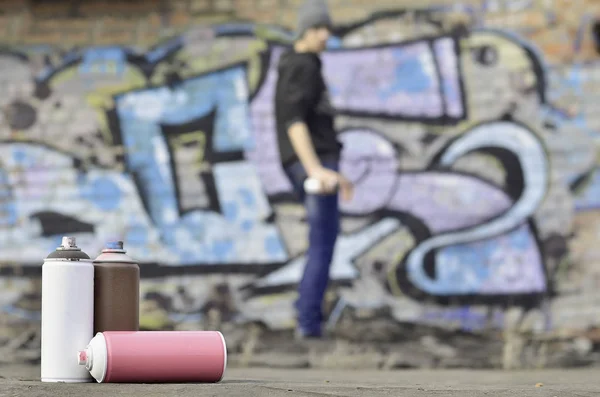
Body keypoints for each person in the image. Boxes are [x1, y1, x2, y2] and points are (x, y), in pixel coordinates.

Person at [274, 0, 353, 339]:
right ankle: (308, 324)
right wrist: (315, 169)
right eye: (320, 29)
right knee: (323, 242)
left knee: (322, 241)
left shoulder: (300, 64)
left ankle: (309, 320)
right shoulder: (303, 65)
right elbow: (294, 122)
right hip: (314, 165)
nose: (326, 36)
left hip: (315, 164)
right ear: (306, 30)